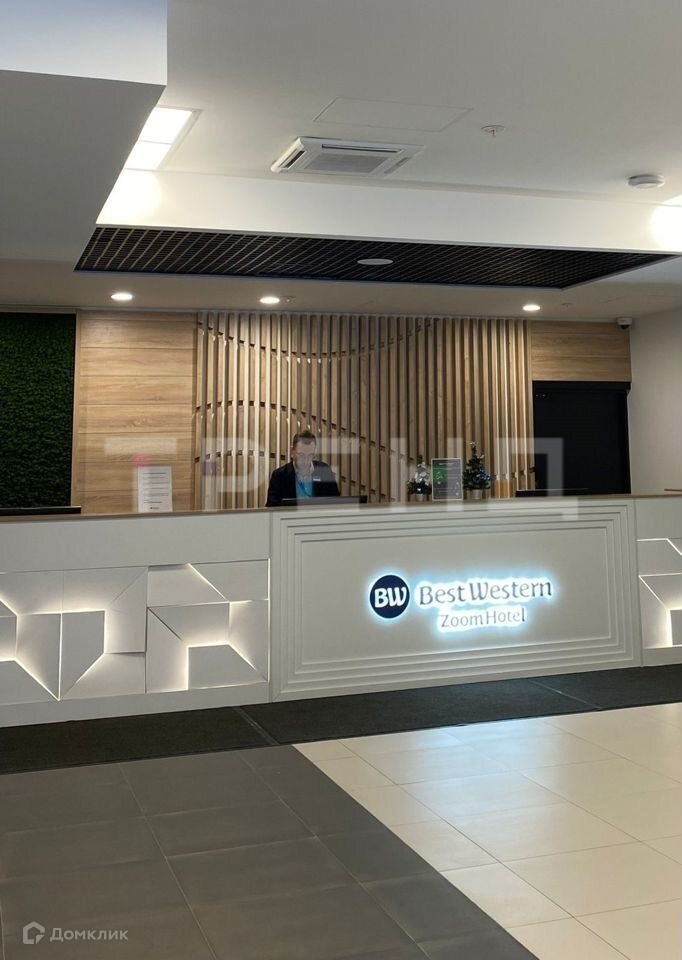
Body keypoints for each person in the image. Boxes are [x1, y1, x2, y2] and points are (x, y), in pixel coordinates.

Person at [266, 429, 340, 506]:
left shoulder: (324, 471)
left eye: (310, 455)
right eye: (301, 455)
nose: (306, 460)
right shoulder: (279, 476)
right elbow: (271, 508)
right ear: (292, 451)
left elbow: (336, 503)